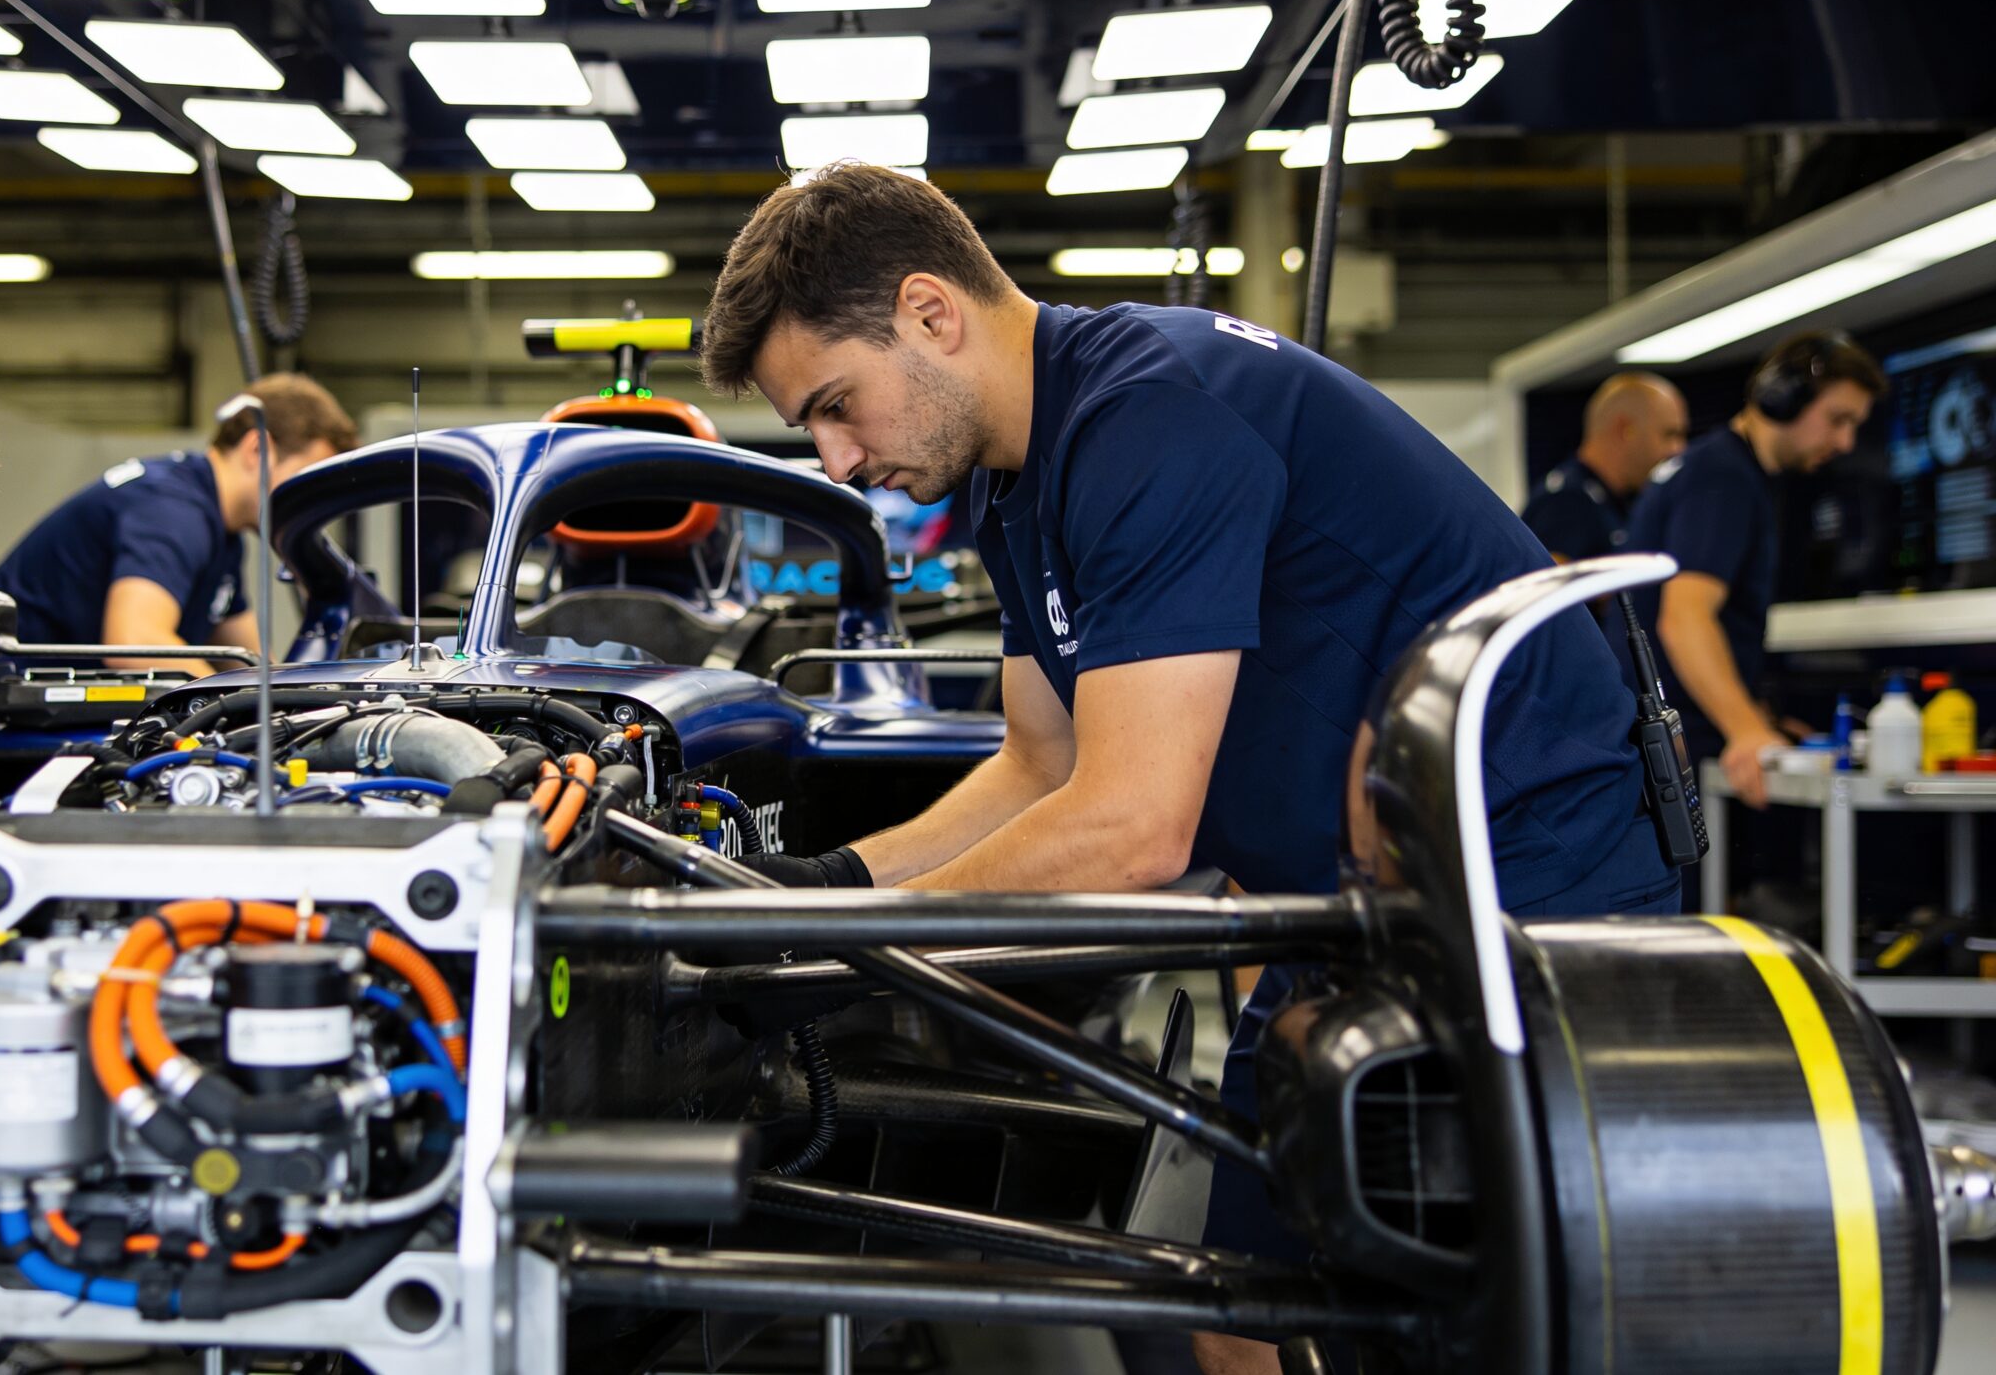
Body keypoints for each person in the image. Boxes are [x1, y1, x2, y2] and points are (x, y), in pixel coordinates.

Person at [695, 163, 1677, 1375]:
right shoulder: (1012, 478)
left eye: (837, 405)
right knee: (1236, 1311)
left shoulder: (1146, 417)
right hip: (1361, 909)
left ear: (929, 313)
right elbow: (1039, 764)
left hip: (1528, 889)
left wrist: (842, 956)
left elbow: (1130, 828)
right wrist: (820, 887)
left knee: (1479, 1318)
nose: (835, 461)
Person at [1626, 331, 1881, 814]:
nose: (1845, 442)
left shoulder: (1720, 469)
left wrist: (1759, 719)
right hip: (1669, 749)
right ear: (1782, 400)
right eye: (1837, 419)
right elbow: (1685, 619)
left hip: (1661, 738)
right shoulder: (1724, 478)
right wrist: (1746, 730)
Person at [0, 373, 355, 677]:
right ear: (257, 448)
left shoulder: (220, 533)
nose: (315, 501)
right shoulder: (173, 510)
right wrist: (235, 706)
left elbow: (252, 665)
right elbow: (134, 643)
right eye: (308, 476)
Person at [1521, 371, 1688, 561]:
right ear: (1626, 430)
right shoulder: (1567, 502)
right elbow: (1553, 587)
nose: (1678, 449)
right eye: (1669, 434)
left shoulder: (1614, 499)